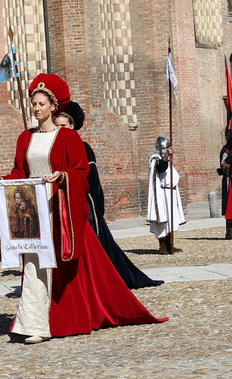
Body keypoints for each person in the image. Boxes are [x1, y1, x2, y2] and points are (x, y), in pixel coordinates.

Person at [0, 74, 166, 343]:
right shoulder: (25, 138)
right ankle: (34, 324)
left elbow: (80, 171)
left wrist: (62, 177)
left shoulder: (67, 137)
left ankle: (61, 318)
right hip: (34, 214)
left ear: (53, 106)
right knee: (33, 266)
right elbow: (19, 172)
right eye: (33, 104)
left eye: (41, 104)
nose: (36, 109)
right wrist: (2, 182)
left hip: (59, 210)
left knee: (64, 269)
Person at [53, 102, 162, 288]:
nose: (59, 130)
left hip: (82, 204)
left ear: (72, 126)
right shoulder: (52, 147)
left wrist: (95, 209)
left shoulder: (83, 147)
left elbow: (92, 181)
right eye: (56, 126)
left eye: (63, 126)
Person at [147, 136, 185, 254]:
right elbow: (161, 168)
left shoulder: (165, 159)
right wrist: (166, 156)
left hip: (171, 192)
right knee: (163, 218)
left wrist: (167, 157)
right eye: (167, 148)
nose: (169, 150)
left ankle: (170, 244)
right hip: (162, 193)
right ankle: (162, 245)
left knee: (171, 218)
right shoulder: (155, 158)